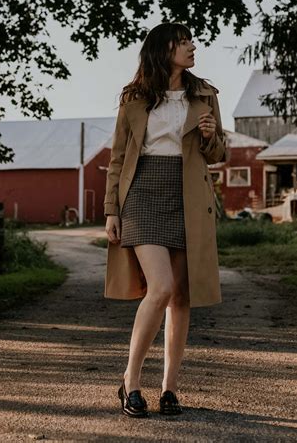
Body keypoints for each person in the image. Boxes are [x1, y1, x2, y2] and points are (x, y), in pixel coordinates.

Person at [103, 22, 227, 418]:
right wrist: (110, 209)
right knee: (159, 288)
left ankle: (170, 389)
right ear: (163, 49)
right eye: (184, 41)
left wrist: (209, 135)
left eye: (192, 40)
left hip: (188, 195)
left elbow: (217, 153)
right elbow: (118, 157)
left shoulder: (205, 94)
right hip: (140, 194)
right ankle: (131, 381)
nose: (192, 46)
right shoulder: (134, 97)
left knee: (180, 297)